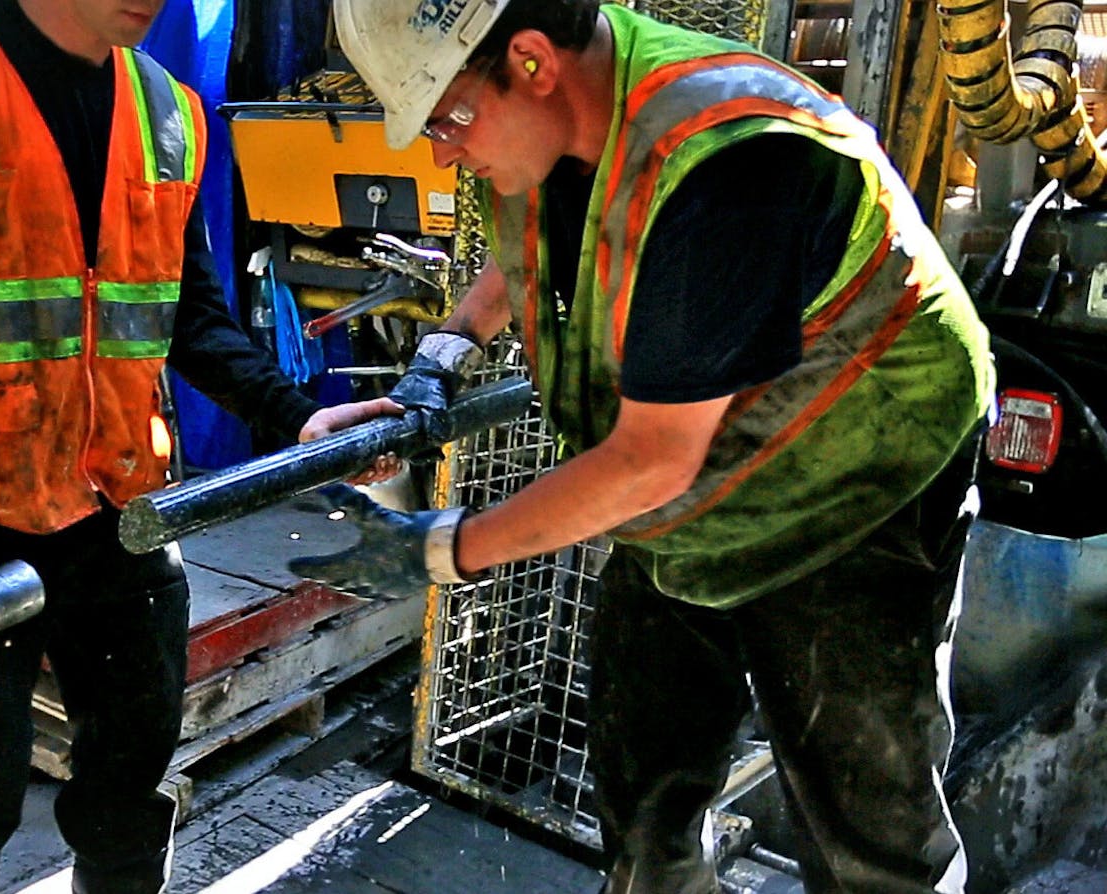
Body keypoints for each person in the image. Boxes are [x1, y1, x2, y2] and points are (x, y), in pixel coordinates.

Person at [291, 2, 997, 892]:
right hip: (693, 486)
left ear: (532, 59)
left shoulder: (731, 159)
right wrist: (439, 360)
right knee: (645, 778)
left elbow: (648, 461)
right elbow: (534, 245)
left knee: (866, 822)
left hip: (858, 475)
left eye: (445, 118)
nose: (439, 150)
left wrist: (438, 550)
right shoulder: (561, 114)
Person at [0, 1, 396, 892]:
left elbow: (189, 317)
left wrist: (294, 413)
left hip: (124, 512)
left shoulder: (169, 110)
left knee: (131, 777)